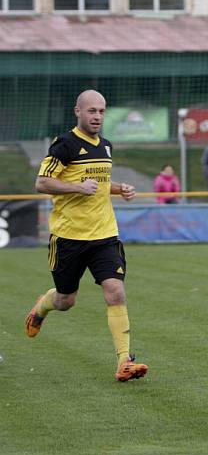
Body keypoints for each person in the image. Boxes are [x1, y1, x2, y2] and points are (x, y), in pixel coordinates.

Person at [25, 89, 148, 382]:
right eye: (92, 111)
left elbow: (100, 183)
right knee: (66, 300)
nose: (97, 117)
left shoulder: (105, 146)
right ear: (77, 112)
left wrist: (120, 188)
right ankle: (43, 305)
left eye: (102, 111)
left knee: (115, 290)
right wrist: (78, 188)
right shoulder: (64, 145)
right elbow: (42, 183)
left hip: (105, 235)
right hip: (68, 237)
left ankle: (124, 362)